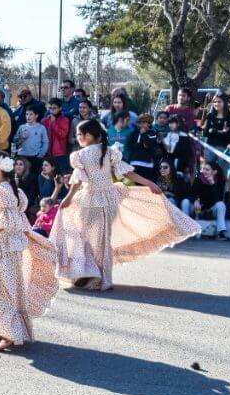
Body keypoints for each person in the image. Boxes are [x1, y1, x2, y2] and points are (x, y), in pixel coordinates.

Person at [51, 119, 199, 291]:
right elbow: (127, 173)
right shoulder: (109, 152)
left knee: (87, 238)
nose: (77, 137)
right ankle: (98, 276)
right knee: (103, 240)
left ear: (89, 135)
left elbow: (77, 181)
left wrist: (68, 198)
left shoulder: (80, 155)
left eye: (79, 134)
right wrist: (148, 183)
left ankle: (89, 274)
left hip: (91, 199)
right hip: (109, 199)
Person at [0, 151, 59, 352]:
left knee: (1, 288)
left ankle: (9, 332)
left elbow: (10, 220)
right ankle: (6, 327)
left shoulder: (0, 191)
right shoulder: (12, 189)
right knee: (7, 287)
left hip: (3, 246)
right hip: (12, 245)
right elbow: (16, 215)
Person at [126, 114, 160, 182]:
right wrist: (141, 145)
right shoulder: (134, 133)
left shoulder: (153, 133)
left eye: (144, 122)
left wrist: (144, 134)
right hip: (134, 163)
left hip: (147, 164)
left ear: (149, 124)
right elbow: (130, 146)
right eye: (139, 123)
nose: (141, 124)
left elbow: (148, 145)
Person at [12, 107, 48, 171]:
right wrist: (21, 137)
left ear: (36, 116)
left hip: (34, 157)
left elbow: (45, 142)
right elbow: (15, 141)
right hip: (22, 155)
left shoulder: (41, 128)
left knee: (33, 176)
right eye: (27, 114)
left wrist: (41, 154)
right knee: (21, 175)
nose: (28, 116)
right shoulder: (22, 127)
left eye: (31, 114)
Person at [43, 98, 71, 174]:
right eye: (50, 108)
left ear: (60, 108)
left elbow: (62, 135)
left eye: (54, 108)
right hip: (47, 153)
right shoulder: (45, 120)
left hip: (60, 153)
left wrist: (53, 123)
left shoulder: (65, 120)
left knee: (62, 175)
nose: (51, 110)